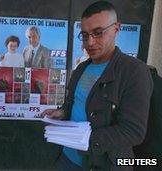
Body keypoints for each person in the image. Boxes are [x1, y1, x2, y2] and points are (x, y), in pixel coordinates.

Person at [41, 1, 153, 170]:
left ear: (116, 28)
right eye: (85, 35)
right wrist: (62, 112)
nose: (90, 42)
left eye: (98, 33)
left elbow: (133, 131)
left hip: (101, 164)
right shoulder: (81, 68)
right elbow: (75, 102)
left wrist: (86, 138)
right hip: (66, 158)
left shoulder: (135, 72)